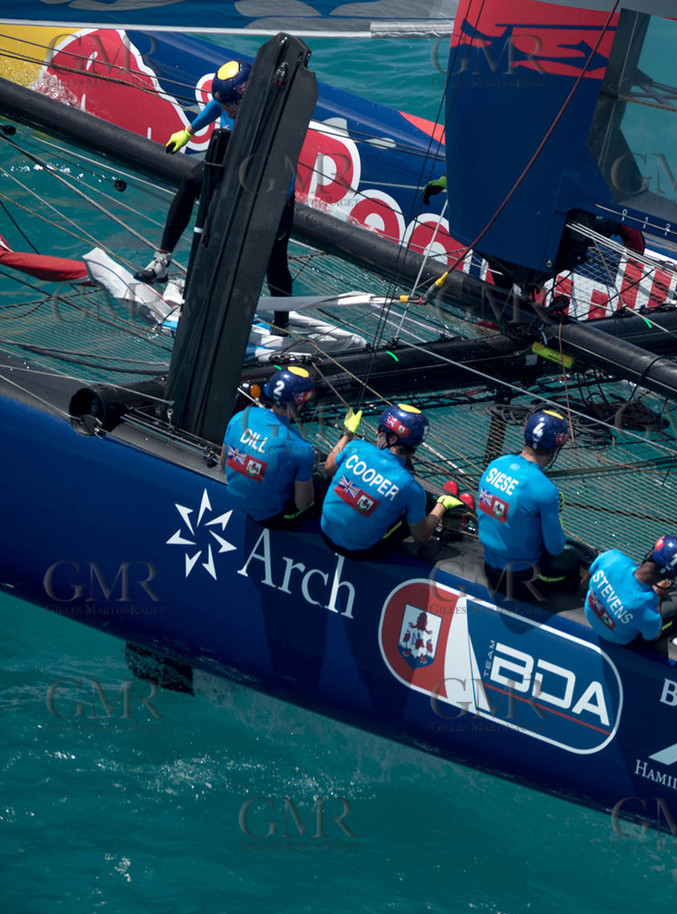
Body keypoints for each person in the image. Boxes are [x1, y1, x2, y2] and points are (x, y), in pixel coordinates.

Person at [139, 59, 294, 330]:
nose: (226, 110)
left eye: (231, 105)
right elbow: (215, 106)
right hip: (229, 167)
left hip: (271, 193)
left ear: (247, 97)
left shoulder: (265, 118)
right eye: (224, 104)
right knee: (190, 181)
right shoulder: (229, 103)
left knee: (274, 263)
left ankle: (282, 327)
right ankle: (162, 260)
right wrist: (188, 132)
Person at [320, 403, 461, 557]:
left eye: (381, 430)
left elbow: (328, 467)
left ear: (393, 438)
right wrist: (442, 505)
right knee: (422, 504)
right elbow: (421, 537)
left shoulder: (356, 446)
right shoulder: (411, 487)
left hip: (325, 532)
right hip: (361, 551)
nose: (377, 432)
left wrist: (348, 433)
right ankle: (443, 510)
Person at [476, 409, 581, 600]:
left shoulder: (497, 463)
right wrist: (555, 512)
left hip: (489, 564)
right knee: (574, 560)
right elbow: (556, 547)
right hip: (519, 580)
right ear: (556, 448)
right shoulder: (546, 491)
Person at [223, 366, 317, 523]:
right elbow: (302, 504)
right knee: (320, 483)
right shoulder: (303, 449)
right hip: (268, 517)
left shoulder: (239, 417)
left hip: (234, 496)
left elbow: (223, 462)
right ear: (300, 404)